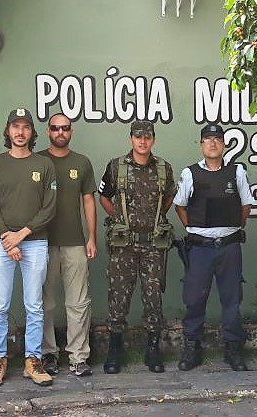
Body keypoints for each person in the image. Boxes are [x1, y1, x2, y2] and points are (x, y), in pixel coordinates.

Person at [0, 108, 57, 387]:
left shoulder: (44, 164)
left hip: (35, 242)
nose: (20, 132)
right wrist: (7, 237)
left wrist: (22, 235)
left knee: (34, 306)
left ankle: (32, 361)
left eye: (26, 127)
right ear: (8, 131)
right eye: (15, 126)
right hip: (0, 242)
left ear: (32, 133)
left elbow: (49, 207)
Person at [98, 120, 176, 374]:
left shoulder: (164, 168)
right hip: (124, 246)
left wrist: (155, 219)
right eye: (138, 137)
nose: (143, 141)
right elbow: (104, 196)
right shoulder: (116, 167)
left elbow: (168, 198)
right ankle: (115, 350)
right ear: (131, 138)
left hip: (153, 245)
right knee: (118, 299)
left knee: (153, 299)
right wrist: (119, 218)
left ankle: (152, 350)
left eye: (148, 137)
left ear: (153, 139)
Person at [173, 123, 252, 372]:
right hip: (200, 248)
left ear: (224, 144)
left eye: (217, 139)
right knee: (195, 299)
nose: (213, 143)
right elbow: (180, 206)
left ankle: (233, 349)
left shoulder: (236, 172)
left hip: (229, 246)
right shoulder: (190, 173)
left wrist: (233, 227)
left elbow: (246, 206)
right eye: (207, 139)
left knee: (231, 299)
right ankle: (192, 348)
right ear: (201, 144)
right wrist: (194, 229)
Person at [38, 113, 97, 377]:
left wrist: (91, 237)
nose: (60, 132)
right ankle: (48, 354)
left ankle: (78, 357)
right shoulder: (37, 161)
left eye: (65, 128)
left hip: (75, 242)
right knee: (44, 303)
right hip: (41, 243)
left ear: (71, 132)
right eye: (55, 128)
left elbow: (88, 201)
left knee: (78, 302)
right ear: (48, 131)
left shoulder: (82, 162)